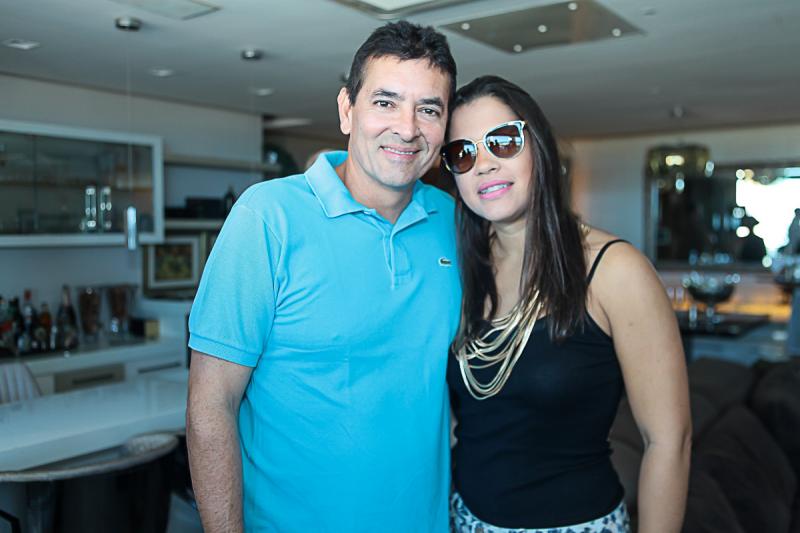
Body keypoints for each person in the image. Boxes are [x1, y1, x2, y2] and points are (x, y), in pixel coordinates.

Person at [186, 21, 460, 532]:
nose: (407, 128)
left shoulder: (451, 219)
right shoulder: (267, 217)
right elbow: (210, 406)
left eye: (429, 109)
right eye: (385, 102)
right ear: (346, 109)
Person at [441, 76, 692, 533]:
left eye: (503, 142)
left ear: (538, 147)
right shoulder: (461, 268)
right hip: (464, 520)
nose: (484, 165)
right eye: (463, 153)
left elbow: (669, 441)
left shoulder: (615, 270)